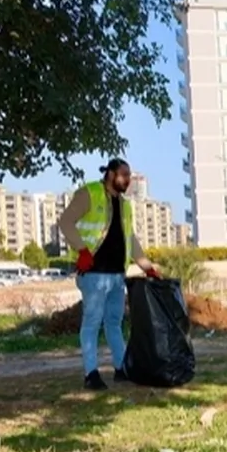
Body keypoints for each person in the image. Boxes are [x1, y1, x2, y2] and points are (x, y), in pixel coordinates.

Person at [58, 158, 161, 391]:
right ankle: (91, 374)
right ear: (111, 174)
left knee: (114, 323)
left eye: (130, 176)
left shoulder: (125, 205)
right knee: (92, 322)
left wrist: (147, 267)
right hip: (93, 273)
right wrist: (82, 251)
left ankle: (121, 368)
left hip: (116, 275)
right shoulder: (89, 194)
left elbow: (130, 239)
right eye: (124, 175)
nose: (128, 180)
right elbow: (65, 222)